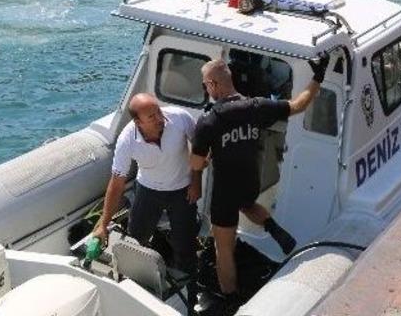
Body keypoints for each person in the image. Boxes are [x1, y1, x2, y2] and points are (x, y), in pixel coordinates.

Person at [190, 57, 327, 308]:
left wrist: (201, 170)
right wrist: (318, 76)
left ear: (213, 84)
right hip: (250, 180)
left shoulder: (209, 121)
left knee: (224, 251)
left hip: (225, 192)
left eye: (205, 85)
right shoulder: (256, 106)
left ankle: (230, 300)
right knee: (247, 203)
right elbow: (299, 105)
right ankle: (272, 226)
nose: (206, 90)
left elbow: (196, 164)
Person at [92, 93, 201, 281]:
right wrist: (103, 224)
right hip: (148, 190)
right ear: (138, 122)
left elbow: (199, 150)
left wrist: (196, 181)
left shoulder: (180, 118)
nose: (160, 118)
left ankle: (187, 288)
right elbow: (116, 183)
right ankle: (134, 281)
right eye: (151, 117)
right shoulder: (127, 140)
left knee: (185, 245)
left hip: (182, 189)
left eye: (158, 111)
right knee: (135, 241)